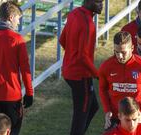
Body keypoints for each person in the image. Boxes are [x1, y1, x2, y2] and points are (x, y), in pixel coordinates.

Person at [0, 2, 34, 135]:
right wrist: (29, 93)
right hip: (12, 99)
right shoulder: (18, 40)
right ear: (11, 17)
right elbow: (25, 69)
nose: (18, 22)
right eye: (18, 19)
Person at [99, 31, 141, 130]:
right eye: (116, 52)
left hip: (137, 119)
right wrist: (107, 110)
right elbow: (102, 90)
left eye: (123, 52)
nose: (120, 56)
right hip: (116, 118)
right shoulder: (106, 67)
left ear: (132, 48)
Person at [58, 0, 103, 134]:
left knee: (93, 106)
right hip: (80, 75)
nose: (101, 5)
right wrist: (98, 75)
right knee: (81, 114)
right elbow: (83, 57)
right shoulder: (88, 24)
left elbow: (62, 40)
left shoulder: (74, 13)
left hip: (69, 72)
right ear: (88, 2)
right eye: (98, 2)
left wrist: (72, 55)